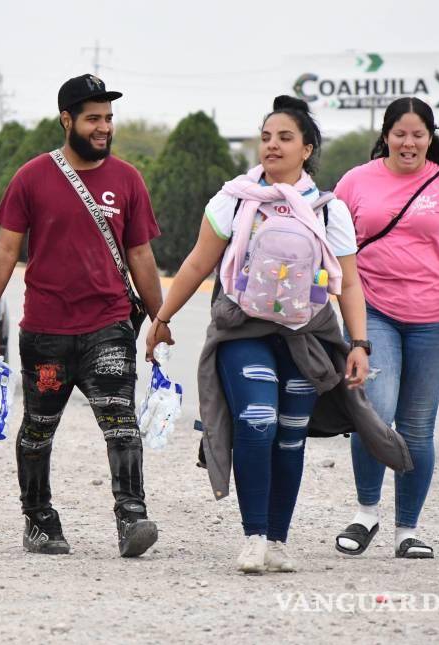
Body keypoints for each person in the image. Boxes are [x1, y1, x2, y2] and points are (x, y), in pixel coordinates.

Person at [151, 96, 378, 573]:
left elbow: (350, 281)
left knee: (291, 434)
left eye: (285, 138)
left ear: (307, 149)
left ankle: (278, 540)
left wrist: (358, 344)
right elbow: (197, 262)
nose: (272, 145)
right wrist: (163, 318)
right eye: (266, 136)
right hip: (242, 330)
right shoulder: (233, 199)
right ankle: (254, 536)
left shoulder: (328, 209)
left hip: (307, 337)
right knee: (257, 422)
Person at [0, 74, 164, 558]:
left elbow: (140, 255)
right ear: (67, 120)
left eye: (108, 119)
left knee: (121, 422)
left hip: (109, 326)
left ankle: (131, 517)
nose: (104, 128)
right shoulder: (32, 177)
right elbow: (4, 252)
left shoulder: (127, 180)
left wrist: (160, 318)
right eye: (93, 118)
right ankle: (39, 521)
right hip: (46, 333)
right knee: (38, 429)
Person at [332, 97, 439, 560]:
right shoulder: (356, 181)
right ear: (385, 135)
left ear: (431, 138)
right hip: (372, 312)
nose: (409, 142)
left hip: (434, 322)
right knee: (374, 414)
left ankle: (407, 529)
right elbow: (336, 249)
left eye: (419, 134)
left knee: (417, 427)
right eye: (401, 133)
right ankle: (365, 513)